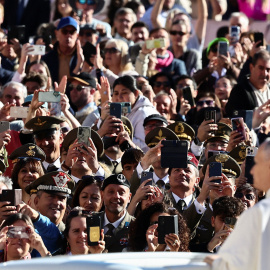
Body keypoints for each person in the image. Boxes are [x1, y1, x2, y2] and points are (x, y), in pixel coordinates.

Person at [205, 138, 270, 269]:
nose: (251, 171)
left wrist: (213, 261)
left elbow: (234, 263)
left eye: (256, 164)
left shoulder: (260, 212)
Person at [225, 50, 270, 116]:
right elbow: (234, 117)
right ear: (251, 67)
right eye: (261, 68)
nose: (265, 73)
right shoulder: (239, 91)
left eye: (268, 70)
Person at [100, 174, 134, 253]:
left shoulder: (136, 227)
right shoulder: (90, 222)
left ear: (129, 197)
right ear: (102, 195)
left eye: (122, 192)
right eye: (111, 192)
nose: (116, 196)